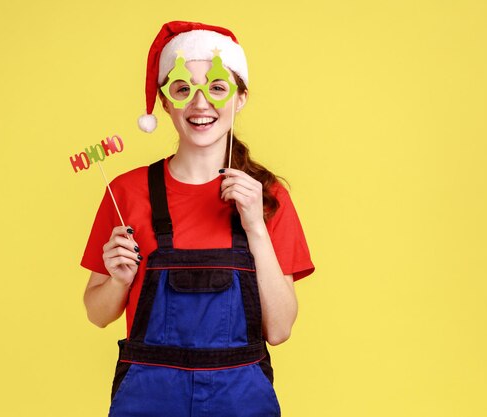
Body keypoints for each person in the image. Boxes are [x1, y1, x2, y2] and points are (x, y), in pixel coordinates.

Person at [81, 21, 315, 417]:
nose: (200, 103)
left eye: (217, 87)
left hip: (241, 402)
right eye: (183, 89)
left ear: (240, 98)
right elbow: (96, 313)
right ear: (166, 101)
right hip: (149, 402)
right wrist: (119, 280)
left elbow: (279, 331)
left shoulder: (269, 196)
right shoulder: (125, 192)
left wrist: (255, 227)